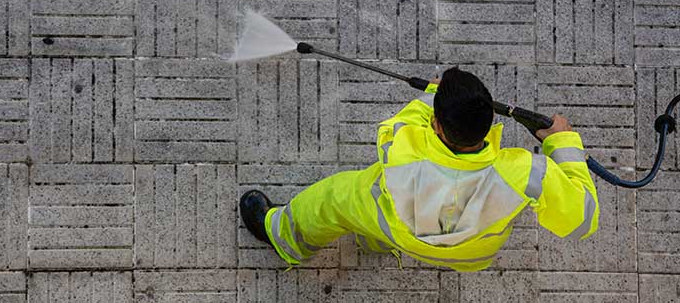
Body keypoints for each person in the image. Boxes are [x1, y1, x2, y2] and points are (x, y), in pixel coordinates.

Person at [240, 66, 599, 270]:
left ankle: (283, 236)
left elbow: (407, 118)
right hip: (469, 254)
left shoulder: (403, 145)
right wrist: (562, 142)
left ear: (439, 126)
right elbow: (583, 219)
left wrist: (432, 94)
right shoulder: (527, 172)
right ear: (489, 123)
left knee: (333, 197)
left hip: (399, 227)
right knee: (373, 212)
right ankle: (375, 245)